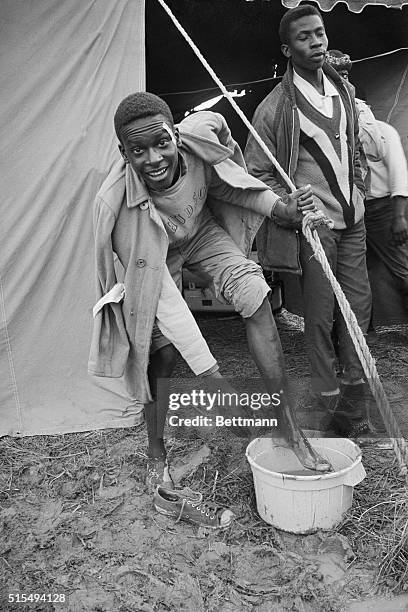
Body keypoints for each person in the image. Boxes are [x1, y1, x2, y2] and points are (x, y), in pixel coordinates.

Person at [88, 91, 331, 515]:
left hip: (201, 233)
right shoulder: (117, 206)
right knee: (158, 356)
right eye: (137, 150)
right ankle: (156, 456)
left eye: (161, 142)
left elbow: (234, 187)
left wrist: (280, 209)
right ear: (122, 151)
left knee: (255, 294)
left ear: (176, 136)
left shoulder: (198, 147)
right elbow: (164, 298)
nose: (153, 159)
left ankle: (287, 425)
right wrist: (213, 377)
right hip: (155, 259)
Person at [244, 4, 373, 437]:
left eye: (320, 33)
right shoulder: (275, 108)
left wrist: (358, 187)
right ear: (287, 48)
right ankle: (327, 407)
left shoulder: (345, 92)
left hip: (352, 222)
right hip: (315, 231)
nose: (317, 42)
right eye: (305, 37)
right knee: (319, 320)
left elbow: (355, 149)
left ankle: (354, 410)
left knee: (358, 309)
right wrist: (289, 206)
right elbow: (254, 174)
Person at [325, 50, 408, 313]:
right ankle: (363, 329)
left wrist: (399, 217)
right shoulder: (333, 133)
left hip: (382, 209)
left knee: (402, 267)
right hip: (352, 208)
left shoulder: (382, 132)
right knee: (357, 275)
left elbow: (399, 176)